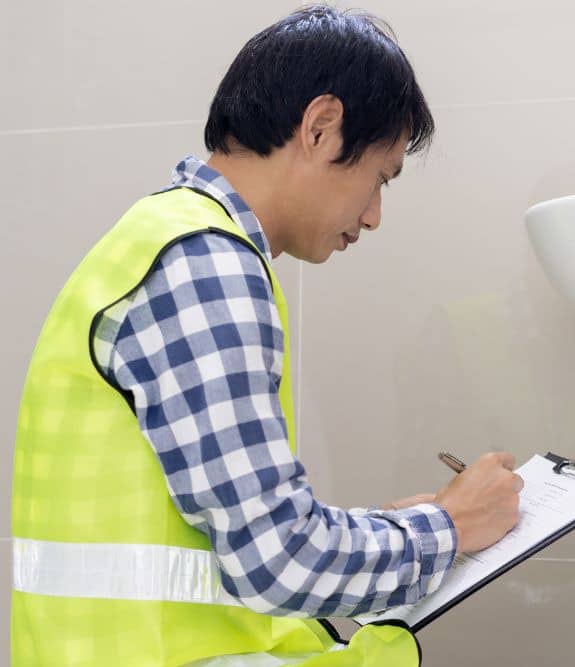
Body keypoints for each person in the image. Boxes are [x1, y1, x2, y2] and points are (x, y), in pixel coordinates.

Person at [10, 6, 523, 666]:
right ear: (320, 127)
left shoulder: (162, 240)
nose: (372, 216)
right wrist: (450, 528)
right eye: (380, 177)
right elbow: (278, 561)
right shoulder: (206, 261)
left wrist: (401, 530)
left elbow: (237, 538)